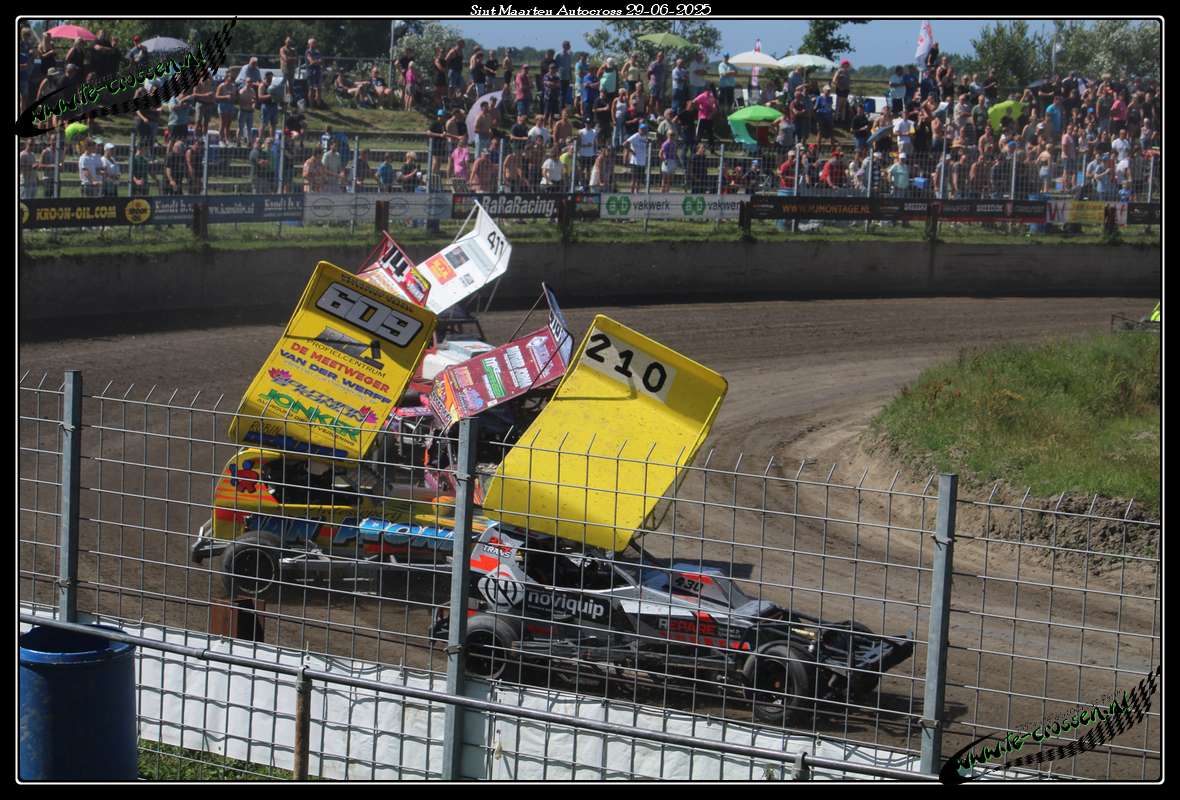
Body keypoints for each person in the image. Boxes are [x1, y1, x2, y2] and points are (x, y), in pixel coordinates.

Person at [623, 122, 650, 192]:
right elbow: (625, 144)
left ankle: (637, 192)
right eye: (642, 129)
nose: (643, 130)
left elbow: (648, 145)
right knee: (634, 179)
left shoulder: (647, 136)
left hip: (642, 161)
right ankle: (632, 192)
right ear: (639, 129)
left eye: (645, 129)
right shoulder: (635, 136)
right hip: (635, 161)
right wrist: (631, 151)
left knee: (639, 180)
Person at [215, 74, 236, 142]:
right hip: (223, 104)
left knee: (228, 123)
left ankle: (227, 139)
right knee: (223, 122)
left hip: (230, 105)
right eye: (229, 80)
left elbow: (235, 97)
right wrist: (225, 97)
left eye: (231, 80)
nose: (230, 82)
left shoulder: (233, 86)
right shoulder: (221, 86)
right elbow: (216, 96)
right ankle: (220, 139)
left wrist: (233, 97)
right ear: (226, 79)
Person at [305, 38, 323, 108]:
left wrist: (315, 61)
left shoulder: (318, 51)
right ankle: (311, 105)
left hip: (318, 72)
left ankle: (319, 105)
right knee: (311, 89)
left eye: (315, 42)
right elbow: (311, 61)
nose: (315, 44)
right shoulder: (308, 52)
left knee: (319, 88)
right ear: (309, 44)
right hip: (311, 72)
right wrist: (316, 61)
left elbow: (321, 61)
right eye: (313, 43)